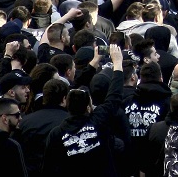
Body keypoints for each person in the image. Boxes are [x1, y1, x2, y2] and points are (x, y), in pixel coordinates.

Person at [42, 45, 125, 177]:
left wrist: (95, 61)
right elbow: (114, 96)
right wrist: (118, 63)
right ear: (88, 107)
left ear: (67, 104)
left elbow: (49, 168)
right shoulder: (99, 120)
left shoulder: (56, 134)